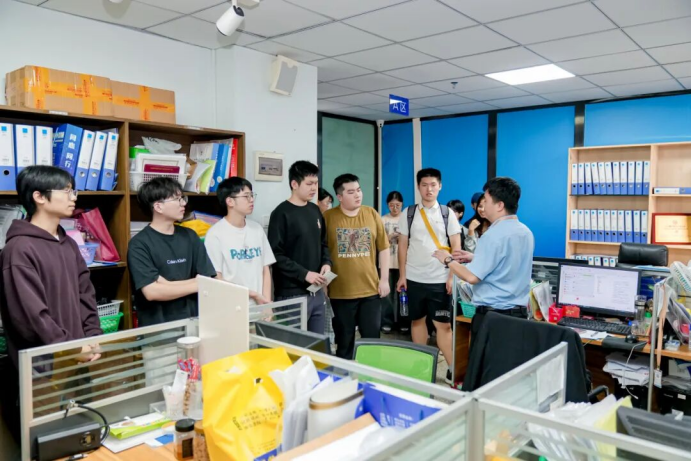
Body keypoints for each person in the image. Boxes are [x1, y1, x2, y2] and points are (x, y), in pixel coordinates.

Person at [0, 165, 102, 443]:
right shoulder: (18, 250)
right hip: (42, 371)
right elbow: (32, 317)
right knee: (48, 444)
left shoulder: (68, 244)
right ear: (39, 197)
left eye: (73, 191)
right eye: (66, 191)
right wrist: (71, 348)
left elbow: (86, 295)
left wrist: (93, 337)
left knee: (84, 437)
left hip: (76, 362)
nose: (74, 197)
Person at [433, 177, 534, 352]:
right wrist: (475, 257)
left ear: (500, 205)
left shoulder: (492, 235)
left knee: (485, 366)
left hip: (493, 318)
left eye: (486, 201)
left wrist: (448, 259)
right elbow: (508, 261)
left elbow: (472, 277)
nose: (482, 206)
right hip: (519, 316)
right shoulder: (525, 232)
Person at [397, 169, 461, 385]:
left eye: (433, 185)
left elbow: (456, 246)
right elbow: (403, 246)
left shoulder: (447, 213)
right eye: (424, 185)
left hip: (440, 279)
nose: (429, 189)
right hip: (414, 277)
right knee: (417, 321)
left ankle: (453, 369)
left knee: (443, 325)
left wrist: (451, 276)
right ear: (418, 187)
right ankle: (422, 365)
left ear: (440, 186)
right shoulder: (409, 213)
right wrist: (402, 276)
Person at [128, 177, 217, 327]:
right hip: (159, 330)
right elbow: (152, 292)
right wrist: (197, 283)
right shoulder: (139, 244)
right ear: (158, 207)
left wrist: (166, 284)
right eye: (177, 199)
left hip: (194, 325)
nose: (183, 203)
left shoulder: (190, 236)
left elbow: (208, 280)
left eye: (182, 198)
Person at [324, 174, 390, 359]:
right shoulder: (328, 217)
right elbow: (322, 252)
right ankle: (344, 376)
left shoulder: (371, 214)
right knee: (344, 343)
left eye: (359, 190)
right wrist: (323, 285)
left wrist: (384, 279)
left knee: (372, 342)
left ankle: (370, 374)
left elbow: (384, 248)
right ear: (339, 196)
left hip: (370, 290)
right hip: (340, 292)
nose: (357, 195)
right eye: (351, 192)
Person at [268, 161, 332, 334]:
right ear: (294, 184)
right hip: (291, 294)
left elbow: (323, 243)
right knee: (293, 345)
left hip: (316, 291)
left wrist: (326, 263)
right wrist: (305, 274)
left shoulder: (315, 210)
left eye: (316, 183)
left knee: (317, 344)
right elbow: (275, 255)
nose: (314, 188)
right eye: (309, 184)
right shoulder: (281, 213)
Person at [205, 177, 275, 308]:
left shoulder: (257, 229)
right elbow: (216, 278)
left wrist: (267, 304)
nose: (251, 200)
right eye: (246, 196)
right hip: (232, 308)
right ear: (230, 201)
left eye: (252, 195)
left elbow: (266, 269)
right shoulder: (215, 235)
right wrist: (252, 294)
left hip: (260, 306)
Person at [381, 191, 409, 334]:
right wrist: (390, 236)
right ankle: (387, 322)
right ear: (387, 205)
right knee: (386, 295)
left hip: (404, 263)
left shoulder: (406, 219)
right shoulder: (382, 219)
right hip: (386, 263)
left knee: (403, 294)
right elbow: (378, 241)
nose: (395, 208)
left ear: (402, 204)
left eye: (398, 205)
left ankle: (404, 322)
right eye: (392, 205)